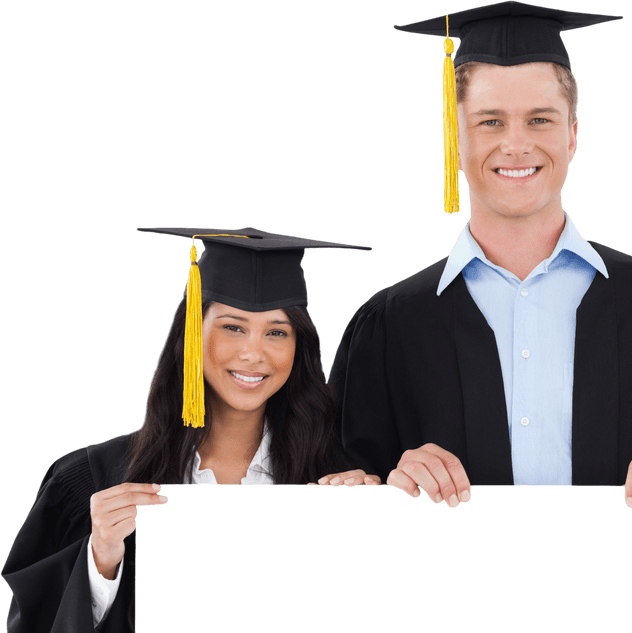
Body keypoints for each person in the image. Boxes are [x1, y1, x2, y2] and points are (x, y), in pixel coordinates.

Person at [330, 2, 632, 509]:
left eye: (540, 119)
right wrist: (385, 487)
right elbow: (342, 487)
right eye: (490, 122)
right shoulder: (388, 327)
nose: (516, 144)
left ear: (573, 133)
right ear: (453, 137)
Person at [2, 227, 371, 632]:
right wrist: (102, 560)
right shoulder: (96, 479)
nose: (253, 352)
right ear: (191, 333)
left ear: (298, 347)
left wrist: (368, 534)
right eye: (233, 326)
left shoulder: (335, 479)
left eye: (277, 332)